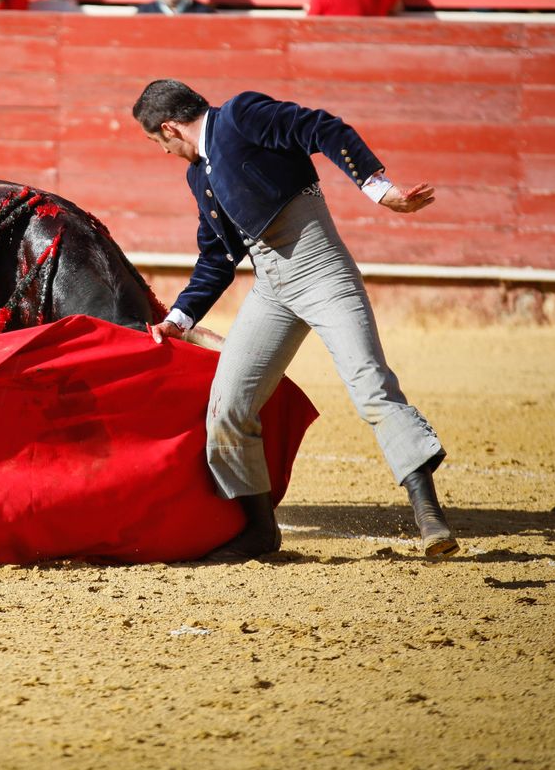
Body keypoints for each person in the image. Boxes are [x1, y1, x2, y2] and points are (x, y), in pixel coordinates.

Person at [133, 78, 456, 561]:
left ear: (170, 128)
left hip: (321, 269)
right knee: (227, 406)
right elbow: (218, 258)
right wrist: (178, 320)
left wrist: (378, 188)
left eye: (158, 143)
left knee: (369, 385)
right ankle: (261, 532)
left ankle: (429, 514)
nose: (163, 153)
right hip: (272, 289)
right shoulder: (198, 177)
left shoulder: (240, 116)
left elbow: (323, 128)